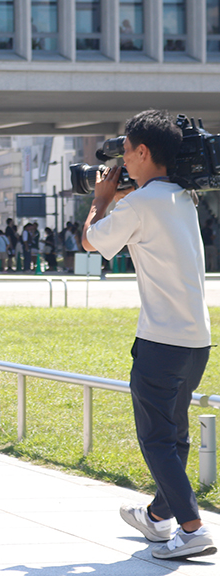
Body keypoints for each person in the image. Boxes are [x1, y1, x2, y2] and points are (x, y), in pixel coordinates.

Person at [83, 110, 215, 560]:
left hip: (161, 342)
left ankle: (194, 530)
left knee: (157, 439)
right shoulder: (183, 197)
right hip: (197, 341)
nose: (121, 161)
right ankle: (158, 518)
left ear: (142, 151)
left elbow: (91, 242)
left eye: (125, 152)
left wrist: (102, 198)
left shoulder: (138, 204)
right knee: (173, 436)